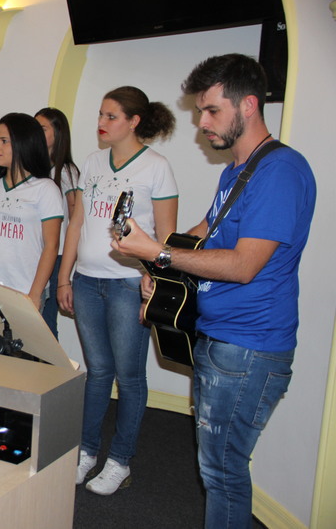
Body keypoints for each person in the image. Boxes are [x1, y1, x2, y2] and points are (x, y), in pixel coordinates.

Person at [112, 54, 316, 527]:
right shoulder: (238, 171)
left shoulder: (280, 171)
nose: (201, 123)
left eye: (211, 111)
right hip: (220, 339)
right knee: (217, 467)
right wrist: (157, 264)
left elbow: (244, 266)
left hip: (249, 348)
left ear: (248, 105)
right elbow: (203, 235)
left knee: (222, 472)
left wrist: (160, 254)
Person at [57, 86, 178, 495]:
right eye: (101, 115)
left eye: (111, 116)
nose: (101, 123)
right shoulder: (93, 162)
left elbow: (166, 237)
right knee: (96, 373)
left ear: (134, 121)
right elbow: (77, 223)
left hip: (128, 283)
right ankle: (87, 452)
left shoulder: (157, 167)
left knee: (128, 377)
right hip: (87, 281)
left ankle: (120, 460)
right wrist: (65, 275)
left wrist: (154, 280)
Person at [0, 112, 63, 309]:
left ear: (24, 143)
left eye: (4, 141)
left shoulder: (45, 189)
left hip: (23, 289)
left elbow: (51, 246)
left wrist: (35, 293)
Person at [35, 107, 80, 338]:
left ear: (58, 133)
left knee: (45, 321)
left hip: (56, 254)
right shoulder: (32, 170)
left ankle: (50, 362)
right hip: (32, 253)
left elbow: (75, 217)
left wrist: (66, 272)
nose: (36, 133)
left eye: (42, 128)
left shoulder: (66, 171)